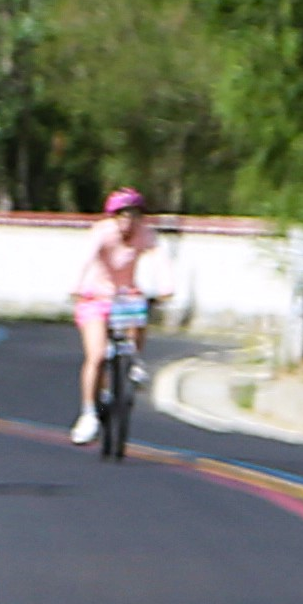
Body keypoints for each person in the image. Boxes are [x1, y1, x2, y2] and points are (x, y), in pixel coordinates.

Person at [68, 189, 172, 446]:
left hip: (125, 296)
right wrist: (76, 285)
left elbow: (160, 258)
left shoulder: (145, 234)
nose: (128, 222)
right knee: (97, 355)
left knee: (141, 309)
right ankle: (88, 413)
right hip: (97, 296)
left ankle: (133, 362)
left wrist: (166, 286)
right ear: (113, 218)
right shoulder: (102, 232)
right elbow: (86, 257)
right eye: (122, 216)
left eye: (134, 216)